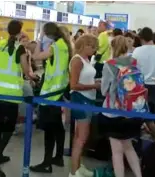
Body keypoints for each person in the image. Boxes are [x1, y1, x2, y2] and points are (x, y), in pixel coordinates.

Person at [0, 20, 33, 177]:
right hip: (11, 94)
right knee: (9, 127)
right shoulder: (20, 49)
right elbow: (26, 71)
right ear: (20, 31)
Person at [30, 22, 72, 173]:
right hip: (59, 90)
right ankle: (58, 157)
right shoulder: (64, 45)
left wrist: (39, 39)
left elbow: (35, 57)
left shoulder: (55, 47)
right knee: (57, 127)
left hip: (50, 94)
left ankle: (46, 163)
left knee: (49, 130)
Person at [101, 36, 143, 177]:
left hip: (113, 111)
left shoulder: (109, 64)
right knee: (129, 147)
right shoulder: (134, 62)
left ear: (112, 47)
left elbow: (103, 90)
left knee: (116, 151)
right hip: (132, 109)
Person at [68, 34, 99, 177]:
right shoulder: (77, 61)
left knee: (80, 136)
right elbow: (74, 85)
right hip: (81, 99)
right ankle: (74, 171)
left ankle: (78, 167)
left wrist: (94, 82)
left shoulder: (86, 59)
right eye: (91, 46)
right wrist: (94, 85)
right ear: (84, 45)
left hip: (87, 99)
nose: (94, 49)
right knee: (82, 137)